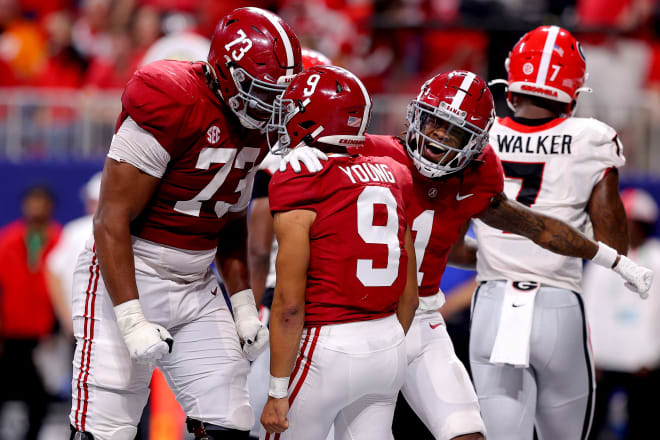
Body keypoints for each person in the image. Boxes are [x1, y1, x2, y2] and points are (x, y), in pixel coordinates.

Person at [280, 68, 652, 440]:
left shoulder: (477, 174)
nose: (440, 137)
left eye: (455, 131)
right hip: (354, 318)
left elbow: (536, 227)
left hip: (422, 317)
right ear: (416, 117)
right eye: (435, 122)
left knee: (466, 432)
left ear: (475, 144)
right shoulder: (364, 151)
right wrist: (303, 153)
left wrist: (612, 259)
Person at [68, 7, 302, 440]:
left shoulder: (255, 125)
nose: (270, 106)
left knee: (229, 420)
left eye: (277, 94)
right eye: (260, 90)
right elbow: (111, 218)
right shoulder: (171, 96)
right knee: (106, 431)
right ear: (226, 72)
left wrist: (245, 307)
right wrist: (133, 317)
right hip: (128, 272)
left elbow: (231, 221)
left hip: (196, 282)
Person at [467, 25, 650, 440]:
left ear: (513, 77)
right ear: (573, 87)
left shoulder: (481, 136)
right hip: (558, 306)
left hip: (493, 302)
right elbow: (614, 246)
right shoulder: (593, 139)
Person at [259, 65, 419, 439]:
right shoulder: (395, 173)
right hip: (388, 343)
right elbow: (409, 297)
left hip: (327, 344)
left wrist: (276, 391)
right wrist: (385, 341)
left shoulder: (300, 178)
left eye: (294, 108)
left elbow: (289, 304)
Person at [584, 187, 660, 439]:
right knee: (593, 424)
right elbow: (591, 305)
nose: (631, 228)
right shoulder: (604, 259)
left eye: (636, 223)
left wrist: (652, 355)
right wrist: (591, 353)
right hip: (605, 358)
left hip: (643, 361)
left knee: (642, 424)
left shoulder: (657, 258)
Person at [0, 184, 61, 440]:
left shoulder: (61, 240)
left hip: (46, 335)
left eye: (42, 202)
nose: (36, 208)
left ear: (50, 206)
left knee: (39, 397)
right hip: (10, 334)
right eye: (32, 202)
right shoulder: (8, 240)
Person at [46, 171, 102, 336]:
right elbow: (53, 271)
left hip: (81, 322)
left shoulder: (75, 230)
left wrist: (66, 317)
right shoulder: (75, 231)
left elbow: (52, 272)